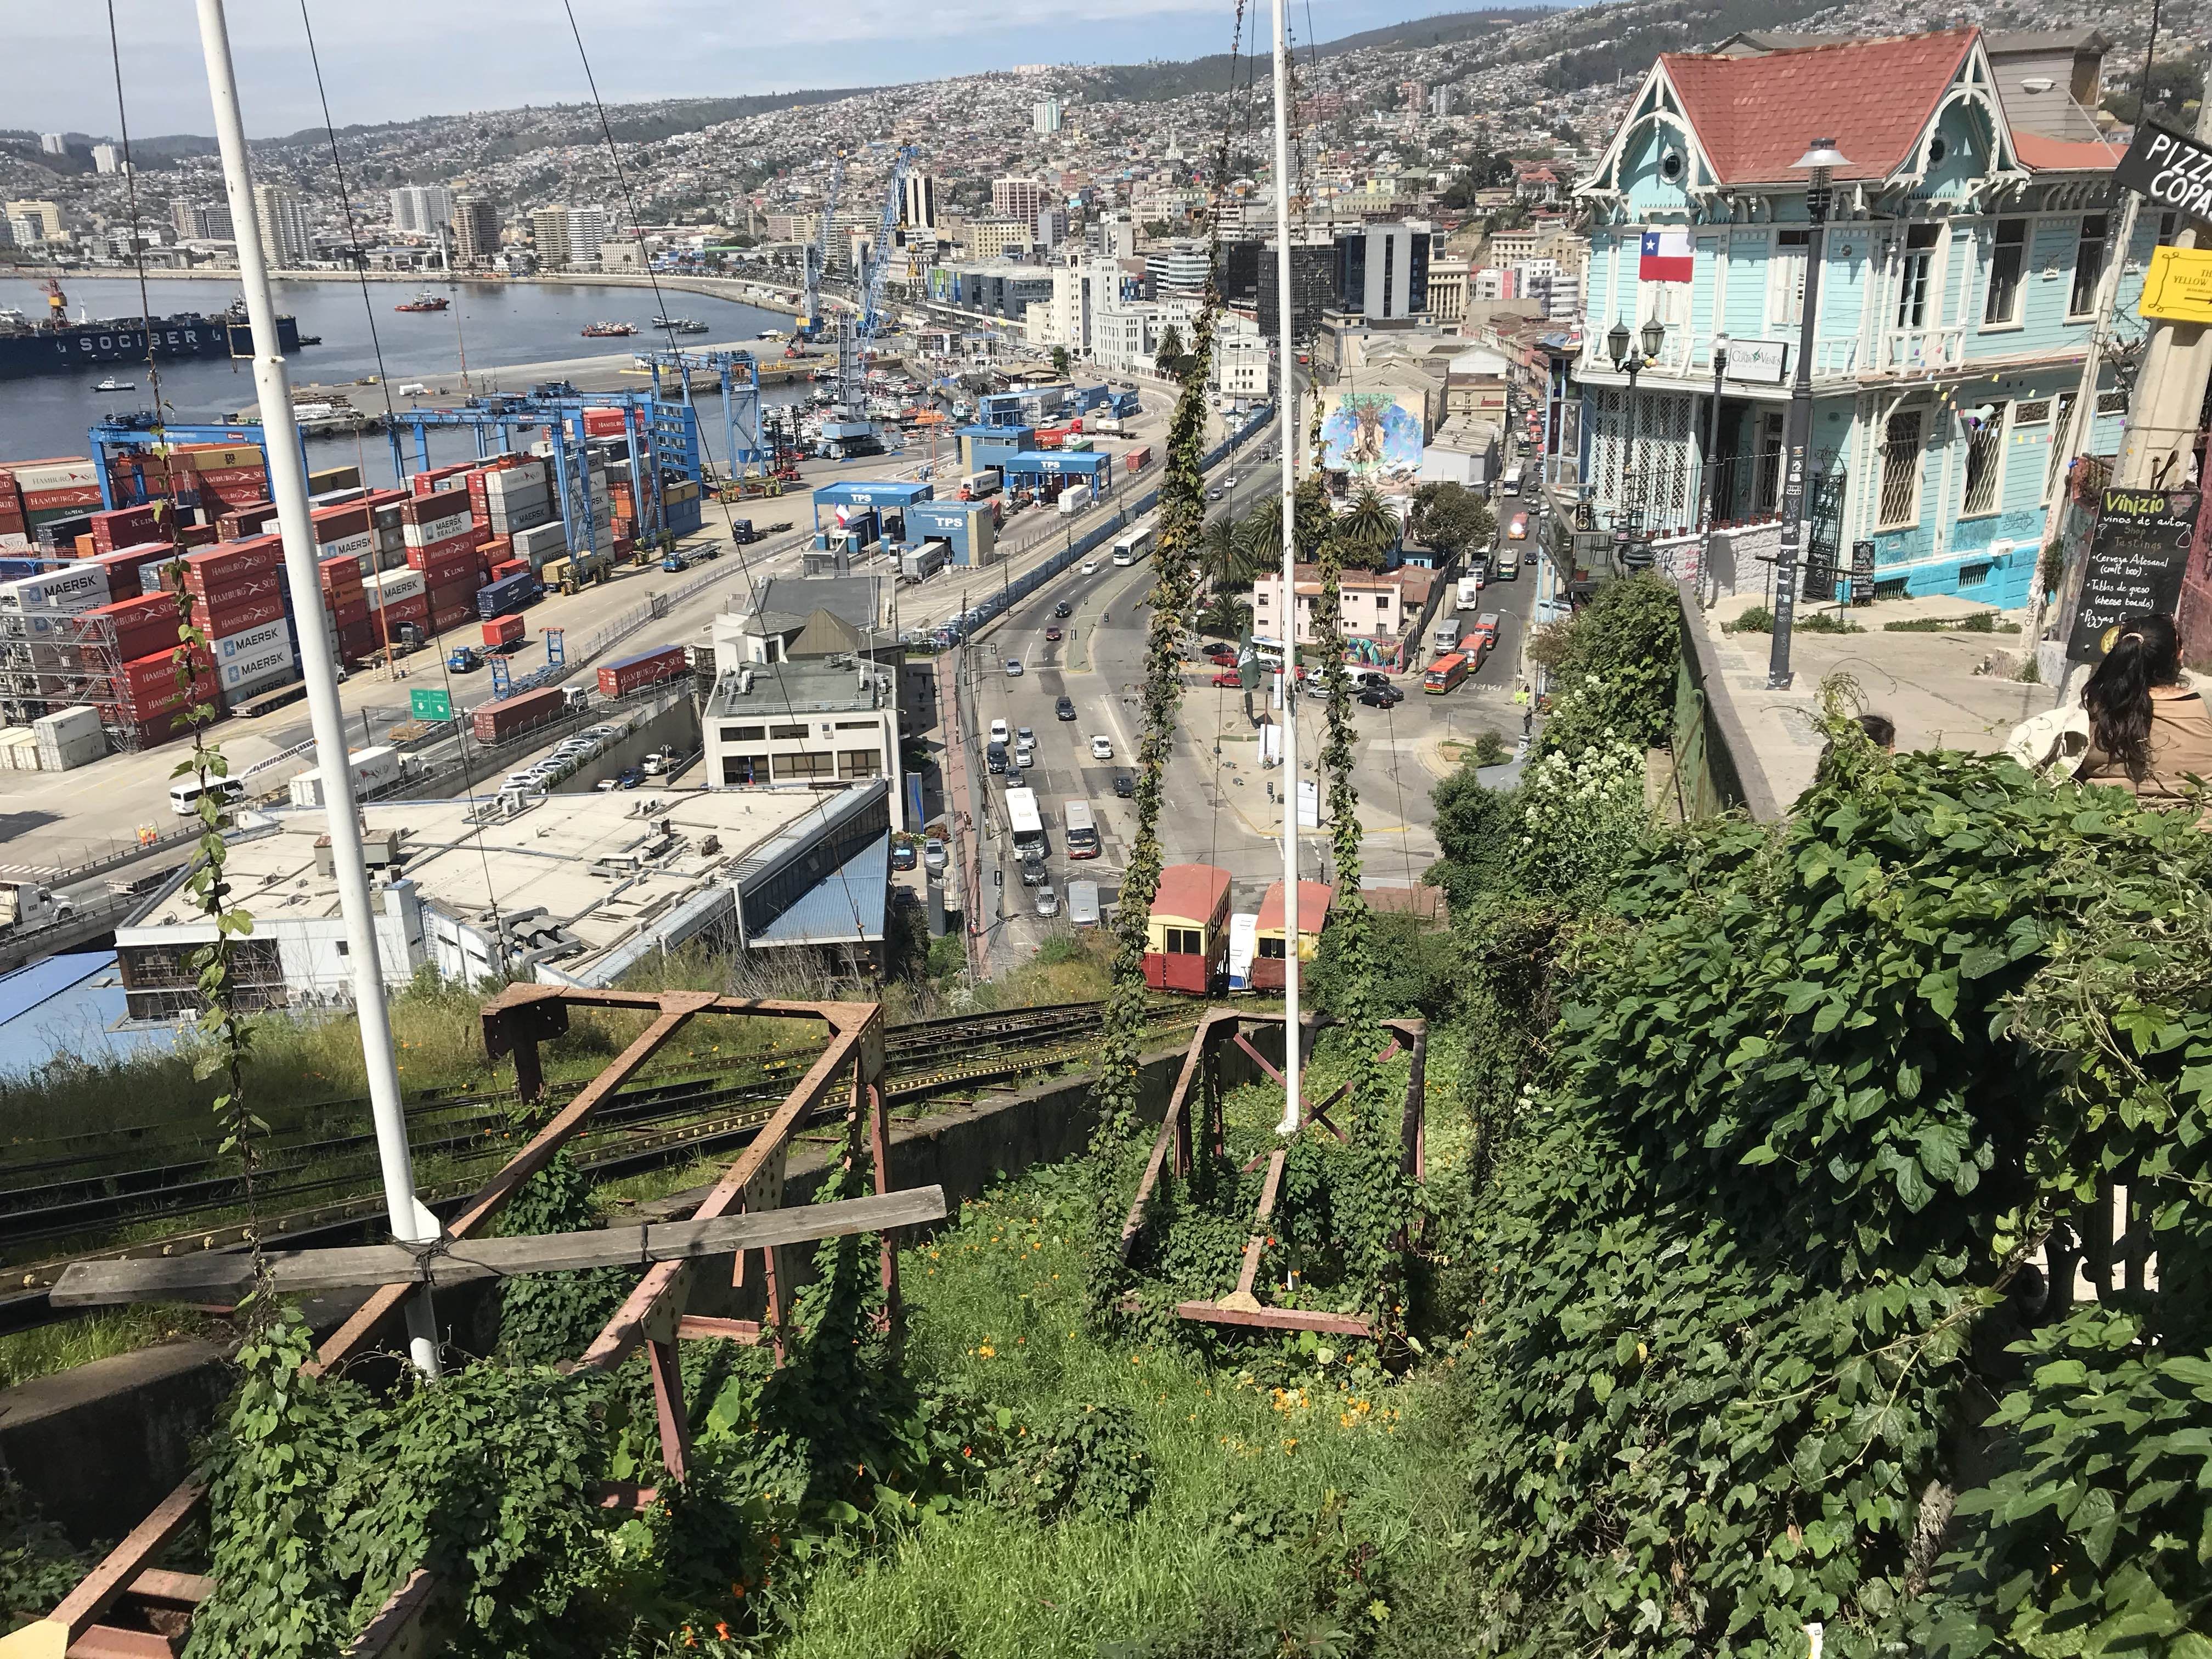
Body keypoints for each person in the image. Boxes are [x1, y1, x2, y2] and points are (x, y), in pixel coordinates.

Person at [2076, 613, 2212, 813]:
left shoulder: (2092, 710)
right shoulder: (2206, 706)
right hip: (2195, 832)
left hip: (2107, 828)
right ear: (2179, 656)